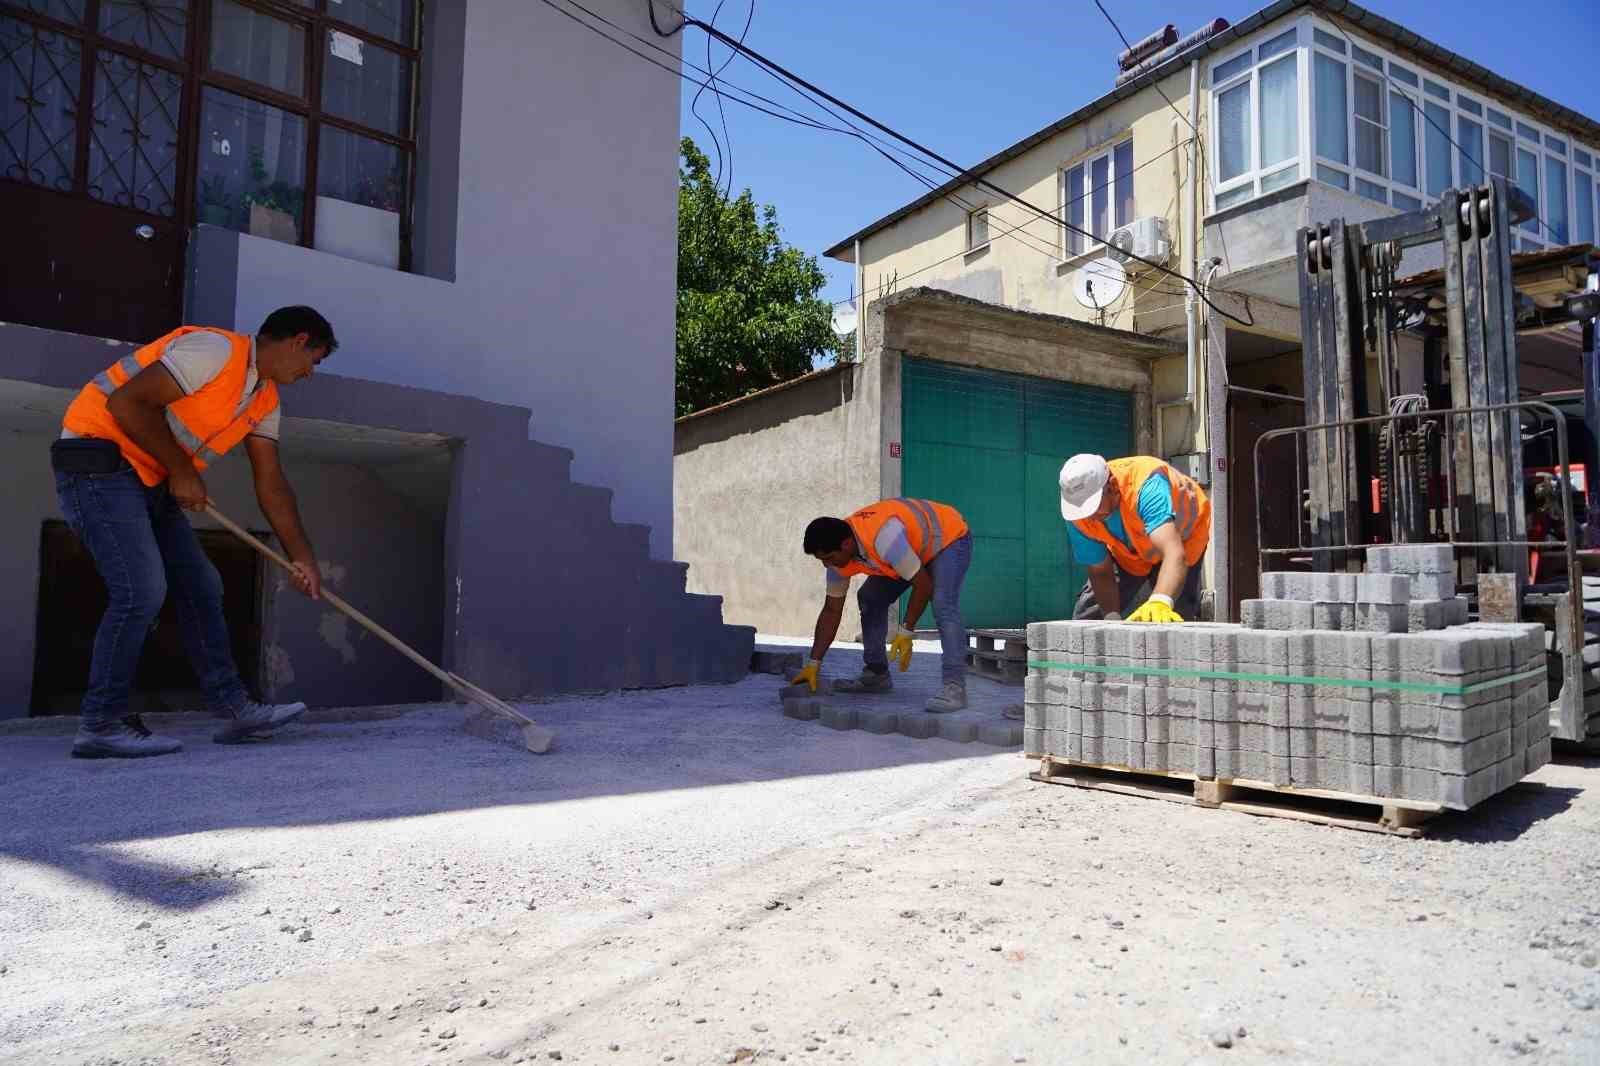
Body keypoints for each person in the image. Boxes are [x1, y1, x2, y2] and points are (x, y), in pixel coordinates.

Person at [52, 307, 338, 758]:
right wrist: (183, 471)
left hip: (152, 479)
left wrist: (300, 556)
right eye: (313, 361)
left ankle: (235, 710)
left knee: (202, 586)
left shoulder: (264, 398)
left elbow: (271, 482)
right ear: (299, 340)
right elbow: (126, 402)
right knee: (141, 591)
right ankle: (101, 724)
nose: (309, 374)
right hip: (99, 464)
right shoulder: (214, 350)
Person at [790, 499, 973, 713]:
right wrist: (814, 663)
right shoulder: (838, 557)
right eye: (822, 560)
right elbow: (831, 610)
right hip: (910, 550)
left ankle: (954, 687)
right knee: (870, 598)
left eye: (829, 558)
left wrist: (906, 630)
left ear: (846, 544)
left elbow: (923, 586)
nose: (826, 564)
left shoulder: (884, 539)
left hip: (947, 539)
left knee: (943, 605)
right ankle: (876, 674)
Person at [1057, 453, 1211, 623]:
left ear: (1112, 486)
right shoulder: (1078, 514)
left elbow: (1173, 553)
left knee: (1172, 617)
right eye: (1082, 510)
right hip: (1131, 551)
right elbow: (1100, 570)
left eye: (1093, 507)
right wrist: (1111, 619)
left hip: (1182, 539)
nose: (1089, 516)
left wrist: (1160, 601)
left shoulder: (1146, 486)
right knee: (1089, 618)